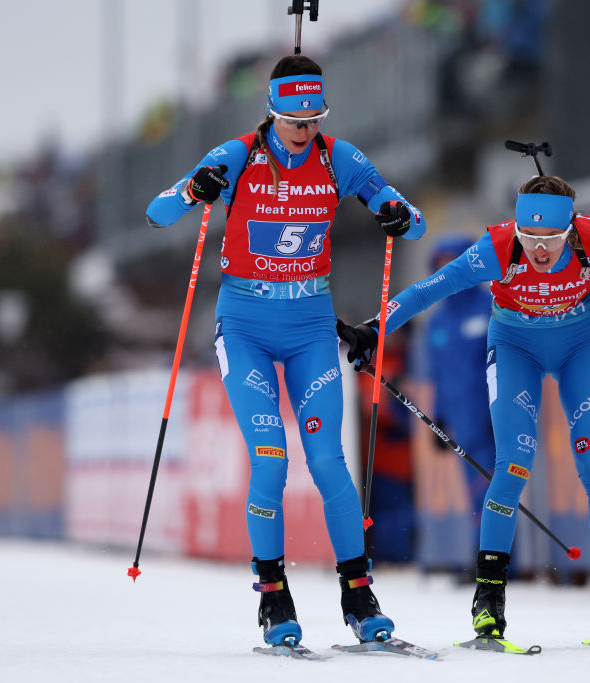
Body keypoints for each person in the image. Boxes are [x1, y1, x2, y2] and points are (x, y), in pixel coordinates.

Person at [145, 54, 426, 648]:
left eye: (314, 118)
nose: (305, 130)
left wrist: (395, 213)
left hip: (310, 328)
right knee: (271, 460)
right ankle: (273, 597)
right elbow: (159, 212)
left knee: (329, 463)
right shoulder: (238, 154)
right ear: (273, 112)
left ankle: (357, 593)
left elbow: (413, 219)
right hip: (244, 326)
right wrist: (197, 188)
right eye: (295, 120)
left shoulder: (339, 158)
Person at [338, 174, 590, 642]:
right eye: (529, 237)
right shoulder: (497, 247)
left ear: (569, 229)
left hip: (581, 346)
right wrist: (374, 328)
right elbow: (432, 289)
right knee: (512, 464)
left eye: (550, 239)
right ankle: (488, 600)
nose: (538, 249)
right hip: (516, 347)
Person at [420, 235, 495, 539]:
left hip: (490, 416)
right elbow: (439, 374)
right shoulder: (438, 322)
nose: (446, 272)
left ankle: (499, 559)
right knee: (473, 488)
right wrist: (439, 417)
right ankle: (483, 554)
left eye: (452, 264)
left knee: (491, 487)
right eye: (440, 266)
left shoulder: (489, 306)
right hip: (459, 420)